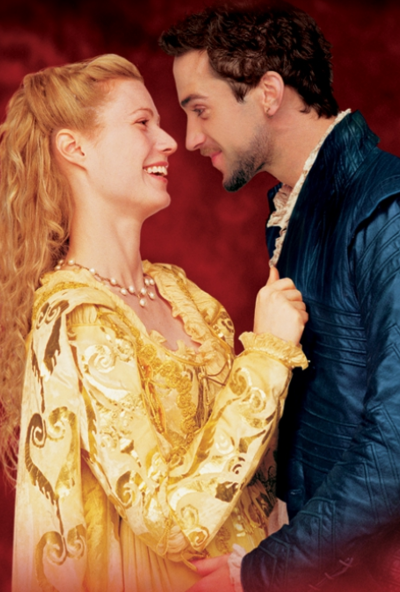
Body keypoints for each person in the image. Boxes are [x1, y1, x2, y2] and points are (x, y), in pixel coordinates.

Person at [0, 54, 309, 592]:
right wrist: (266, 356)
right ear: (74, 148)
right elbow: (169, 520)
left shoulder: (182, 293)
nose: (169, 142)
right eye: (143, 123)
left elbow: (255, 477)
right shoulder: (75, 318)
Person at [159, 2, 400, 591]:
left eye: (200, 109)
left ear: (268, 92)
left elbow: (395, 442)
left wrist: (265, 571)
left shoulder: (385, 209)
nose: (190, 139)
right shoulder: (296, 209)